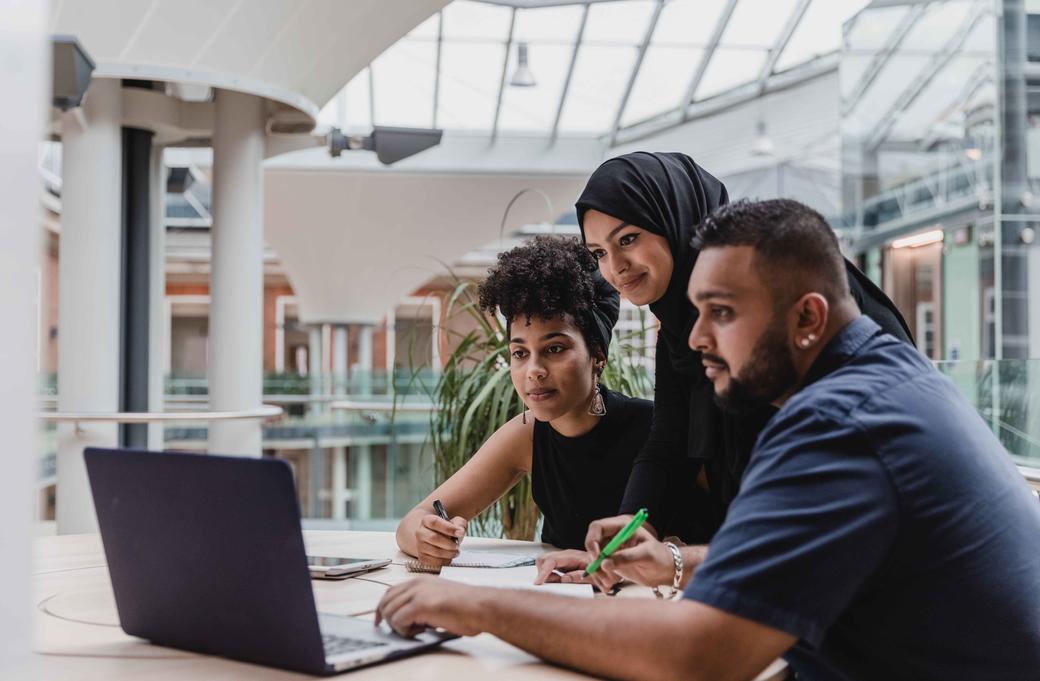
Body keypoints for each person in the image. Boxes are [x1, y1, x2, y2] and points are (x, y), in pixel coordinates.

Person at [376, 199, 1040, 681]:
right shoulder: (889, 381)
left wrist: (477, 602)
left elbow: (698, 653)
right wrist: (673, 563)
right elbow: (820, 551)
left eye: (720, 313)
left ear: (808, 317)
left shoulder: (839, 420)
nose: (695, 340)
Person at [553, 152, 912, 579]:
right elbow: (670, 440)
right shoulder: (680, 324)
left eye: (627, 239)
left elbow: (814, 515)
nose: (613, 267)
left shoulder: (777, 288)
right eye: (598, 253)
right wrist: (629, 539)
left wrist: (679, 564)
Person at [395, 236, 653, 565]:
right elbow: (412, 522)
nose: (534, 371)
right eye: (520, 353)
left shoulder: (654, 428)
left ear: (597, 355)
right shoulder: (526, 435)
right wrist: (429, 538)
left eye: (555, 348)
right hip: (561, 601)